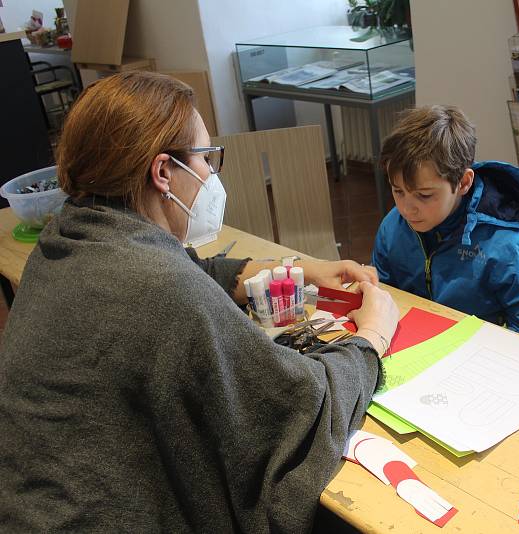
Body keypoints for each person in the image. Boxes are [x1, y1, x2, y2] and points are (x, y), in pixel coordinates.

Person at [0, 71, 399, 532]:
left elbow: (190, 272)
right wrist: (371, 338)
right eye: (207, 159)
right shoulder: (158, 288)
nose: (211, 175)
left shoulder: (68, 239)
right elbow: (298, 403)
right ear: (163, 171)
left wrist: (298, 268)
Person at [372, 105, 519, 345]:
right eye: (398, 191)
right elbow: (385, 297)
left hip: (481, 362)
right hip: (413, 350)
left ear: (463, 183)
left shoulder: (516, 248)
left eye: (425, 195)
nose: (406, 209)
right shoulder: (394, 226)